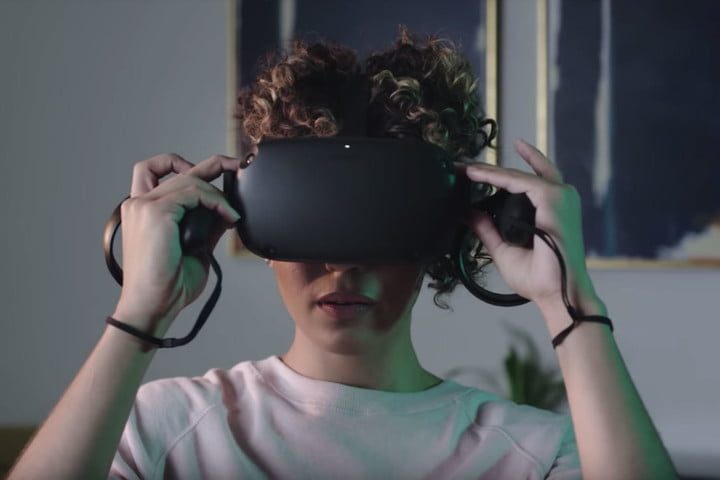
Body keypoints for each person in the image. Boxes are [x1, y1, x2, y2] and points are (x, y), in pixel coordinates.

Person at [8, 27, 676, 480]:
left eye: (376, 228)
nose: (342, 266)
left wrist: (569, 300)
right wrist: (140, 313)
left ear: (444, 231)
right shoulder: (168, 428)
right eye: (315, 225)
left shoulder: (529, 453)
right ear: (253, 222)